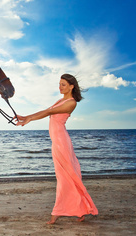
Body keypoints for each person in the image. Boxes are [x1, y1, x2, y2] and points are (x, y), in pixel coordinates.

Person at [15, 73, 98, 224]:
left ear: (71, 86)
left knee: (66, 177)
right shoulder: (61, 100)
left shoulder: (71, 103)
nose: (60, 87)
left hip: (62, 143)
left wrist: (28, 119)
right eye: (59, 84)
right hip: (57, 142)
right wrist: (26, 116)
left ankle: (58, 212)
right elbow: (46, 110)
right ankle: (81, 210)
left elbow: (48, 112)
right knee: (68, 177)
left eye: (63, 85)